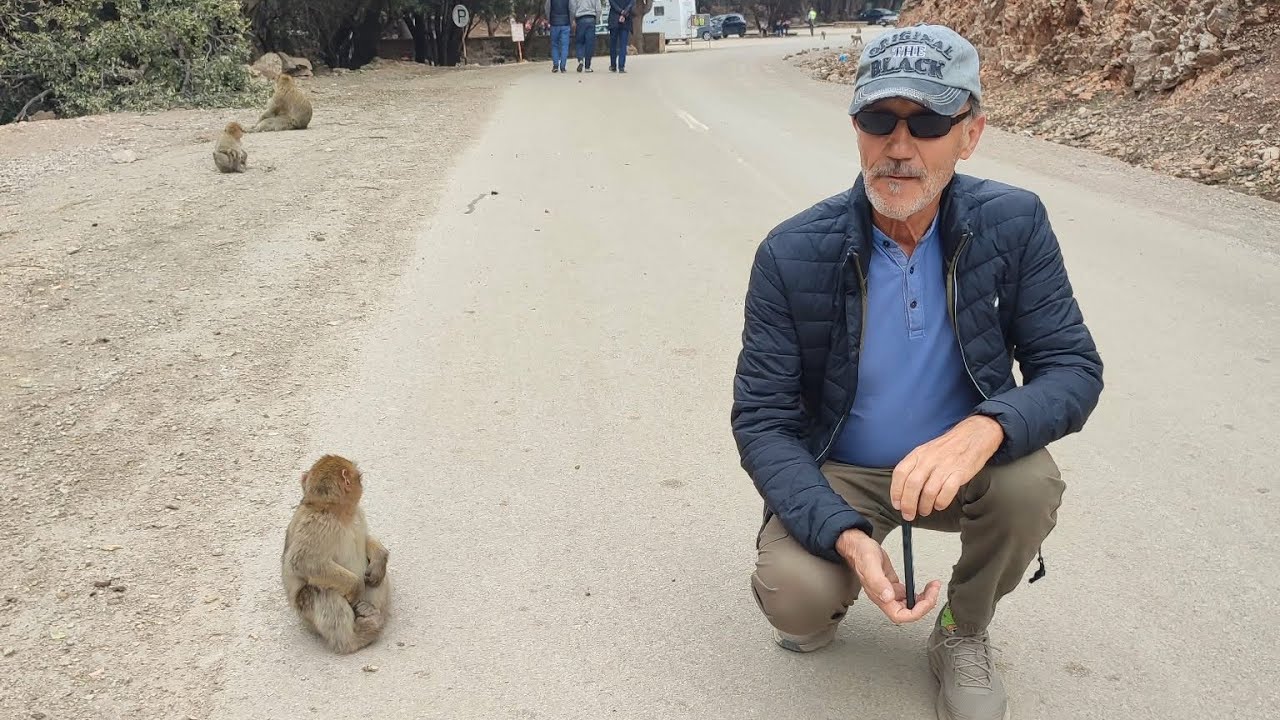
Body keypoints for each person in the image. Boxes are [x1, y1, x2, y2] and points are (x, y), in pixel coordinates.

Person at [730, 23, 1103, 720]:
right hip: (843, 469)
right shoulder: (791, 252)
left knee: (1030, 484)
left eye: (929, 121)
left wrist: (986, 429)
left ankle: (962, 630)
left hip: (961, 469)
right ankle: (837, 576)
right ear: (856, 126)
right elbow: (764, 422)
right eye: (880, 119)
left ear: (972, 132)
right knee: (796, 601)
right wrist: (841, 533)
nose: (900, 147)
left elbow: (1072, 367)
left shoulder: (1014, 224)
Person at [570, 0, 599, 73]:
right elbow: (598, 9)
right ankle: (587, 66)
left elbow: (572, 8)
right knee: (589, 44)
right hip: (591, 18)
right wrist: (597, 20)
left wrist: (572, 19)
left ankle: (580, 60)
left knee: (579, 42)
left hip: (580, 19)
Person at [545, 0, 573, 73]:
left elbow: (547, 8)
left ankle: (555, 66)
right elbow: (572, 9)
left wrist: (549, 19)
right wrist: (570, 20)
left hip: (554, 24)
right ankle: (563, 67)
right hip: (565, 24)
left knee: (554, 45)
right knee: (564, 46)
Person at [608, 0, 634, 73]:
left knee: (613, 45)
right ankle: (621, 66)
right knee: (623, 45)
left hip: (614, 19)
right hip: (626, 20)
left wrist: (620, 12)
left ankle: (613, 65)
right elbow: (631, 3)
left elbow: (612, 3)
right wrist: (624, 13)